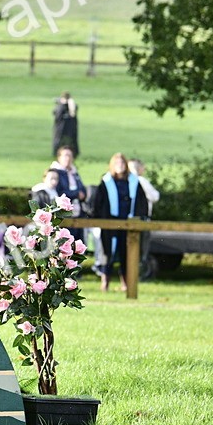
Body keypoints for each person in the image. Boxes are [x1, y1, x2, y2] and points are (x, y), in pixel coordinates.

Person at [89, 152, 150, 291]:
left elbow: (142, 202)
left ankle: (126, 284)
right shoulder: (106, 182)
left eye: (122, 163)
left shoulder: (134, 181)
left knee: (127, 253)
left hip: (129, 222)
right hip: (110, 223)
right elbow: (98, 203)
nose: (120, 166)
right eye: (117, 163)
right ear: (112, 165)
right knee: (107, 253)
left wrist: (140, 217)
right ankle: (105, 282)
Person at [52, 92, 79, 157]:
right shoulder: (60, 106)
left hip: (67, 127)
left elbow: (73, 113)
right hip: (61, 127)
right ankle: (56, 153)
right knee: (59, 141)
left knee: (70, 141)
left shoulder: (71, 105)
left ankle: (73, 153)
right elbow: (57, 115)